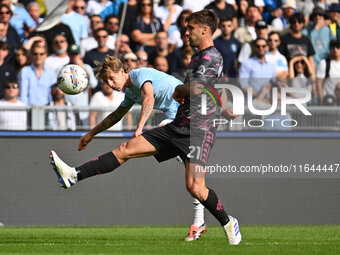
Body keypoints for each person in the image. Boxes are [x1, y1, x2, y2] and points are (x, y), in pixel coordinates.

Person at [50, 10, 242, 245]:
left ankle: (226, 221)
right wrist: (91, 133)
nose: (186, 32)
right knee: (125, 149)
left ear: (204, 29)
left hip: (196, 130)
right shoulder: (198, 57)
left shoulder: (209, 57)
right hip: (177, 125)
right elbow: (209, 89)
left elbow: (188, 91)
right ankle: (73, 175)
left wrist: (178, 92)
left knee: (195, 187)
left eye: (190, 28)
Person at [316, 40, 340, 105]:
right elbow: (319, 83)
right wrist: (321, 101)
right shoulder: (324, 63)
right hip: (328, 101)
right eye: (333, 47)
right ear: (329, 49)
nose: (335, 49)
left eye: (338, 47)